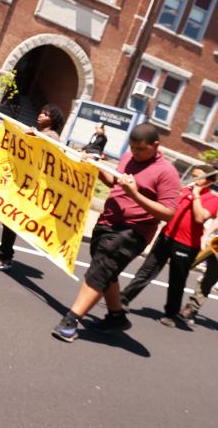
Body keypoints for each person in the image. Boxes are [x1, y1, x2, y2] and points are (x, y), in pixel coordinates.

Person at [51, 122, 181, 342]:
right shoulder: (128, 157)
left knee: (101, 269)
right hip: (107, 223)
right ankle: (117, 316)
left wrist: (136, 195)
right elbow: (114, 182)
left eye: (141, 149)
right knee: (106, 270)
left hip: (133, 231)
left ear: (156, 145)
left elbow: (168, 213)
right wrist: (97, 165)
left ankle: (70, 321)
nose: (136, 154)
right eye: (132, 148)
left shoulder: (167, 173)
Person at [119, 165, 218, 326]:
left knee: (177, 280)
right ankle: (123, 299)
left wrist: (196, 195)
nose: (194, 179)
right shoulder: (184, 191)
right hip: (166, 236)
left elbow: (200, 218)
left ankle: (171, 314)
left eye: (198, 176)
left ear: (209, 181)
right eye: (193, 175)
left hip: (186, 245)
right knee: (147, 270)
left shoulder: (213, 199)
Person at [0, 103, 64, 271]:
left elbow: (48, 156)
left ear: (53, 120)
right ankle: (5, 255)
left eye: (46, 114)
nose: (41, 115)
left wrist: (33, 137)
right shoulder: (41, 133)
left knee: (11, 220)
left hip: (33, 187)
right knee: (9, 217)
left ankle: (4, 257)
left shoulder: (52, 137)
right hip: (25, 183)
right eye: (41, 112)